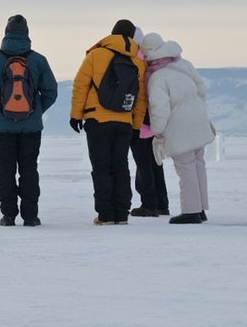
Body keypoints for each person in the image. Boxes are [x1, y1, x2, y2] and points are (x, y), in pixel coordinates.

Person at [0, 15, 58, 227]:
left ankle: (8, 215)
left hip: (2, 128)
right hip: (31, 128)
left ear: (6, 33)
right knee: (29, 169)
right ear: (27, 34)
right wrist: (35, 111)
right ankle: (31, 216)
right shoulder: (38, 60)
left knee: (5, 169)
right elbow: (51, 91)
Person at [70, 19, 147, 225]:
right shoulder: (138, 62)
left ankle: (105, 214)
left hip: (98, 119)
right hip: (124, 121)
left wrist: (76, 115)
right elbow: (141, 98)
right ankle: (122, 214)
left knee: (101, 167)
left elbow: (81, 86)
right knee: (121, 167)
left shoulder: (96, 55)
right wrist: (136, 124)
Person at [139, 33, 215, 224]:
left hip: (179, 126)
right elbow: (202, 90)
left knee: (185, 166)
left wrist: (158, 131)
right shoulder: (184, 64)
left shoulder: (157, 77)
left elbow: (159, 109)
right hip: (198, 119)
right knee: (198, 164)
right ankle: (200, 209)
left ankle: (191, 211)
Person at [129, 27, 170, 217]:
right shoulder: (154, 62)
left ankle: (149, 204)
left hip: (141, 121)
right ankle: (162, 203)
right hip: (154, 121)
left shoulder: (134, 60)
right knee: (155, 163)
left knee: (143, 163)